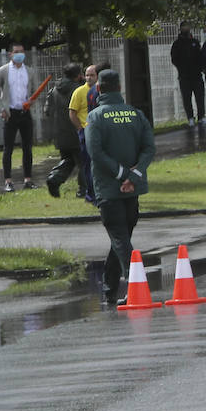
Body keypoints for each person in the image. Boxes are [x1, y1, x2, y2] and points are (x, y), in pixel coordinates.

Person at [86, 69, 155, 305]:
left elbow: (95, 152)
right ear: (119, 88)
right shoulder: (136, 114)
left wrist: (121, 174)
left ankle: (137, 283)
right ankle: (109, 289)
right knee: (121, 238)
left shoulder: (95, 117)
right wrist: (134, 175)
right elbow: (149, 148)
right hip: (132, 190)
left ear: (99, 89)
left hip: (109, 190)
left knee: (120, 240)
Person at [0, 44, 39, 192]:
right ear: (11, 54)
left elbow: (35, 92)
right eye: (16, 52)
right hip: (10, 114)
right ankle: (8, 181)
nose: (19, 55)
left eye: (22, 52)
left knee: (27, 148)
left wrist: (31, 102)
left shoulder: (30, 71)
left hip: (25, 112)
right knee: (8, 148)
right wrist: (2, 108)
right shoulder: (3, 71)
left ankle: (28, 179)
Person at [44, 63, 84, 198]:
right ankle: (83, 190)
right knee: (84, 162)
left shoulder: (54, 90)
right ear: (78, 75)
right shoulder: (79, 90)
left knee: (68, 160)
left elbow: (47, 111)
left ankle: (54, 178)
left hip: (60, 133)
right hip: (76, 132)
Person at [69, 64, 99, 202]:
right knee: (88, 163)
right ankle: (90, 193)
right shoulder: (79, 92)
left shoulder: (100, 90)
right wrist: (80, 129)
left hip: (99, 131)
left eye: (92, 75)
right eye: (86, 75)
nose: (88, 78)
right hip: (86, 131)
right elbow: (72, 113)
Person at [170, 21, 206, 127]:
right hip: (184, 76)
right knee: (187, 98)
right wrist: (181, 68)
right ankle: (190, 118)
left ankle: (201, 117)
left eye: (187, 27)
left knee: (200, 97)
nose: (186, 29)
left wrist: (200, 68)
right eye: (184, 27)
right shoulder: (177, 44)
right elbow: (174, 59)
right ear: (180, 29)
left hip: (197, 75)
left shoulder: (195, 42)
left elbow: (200, 57)